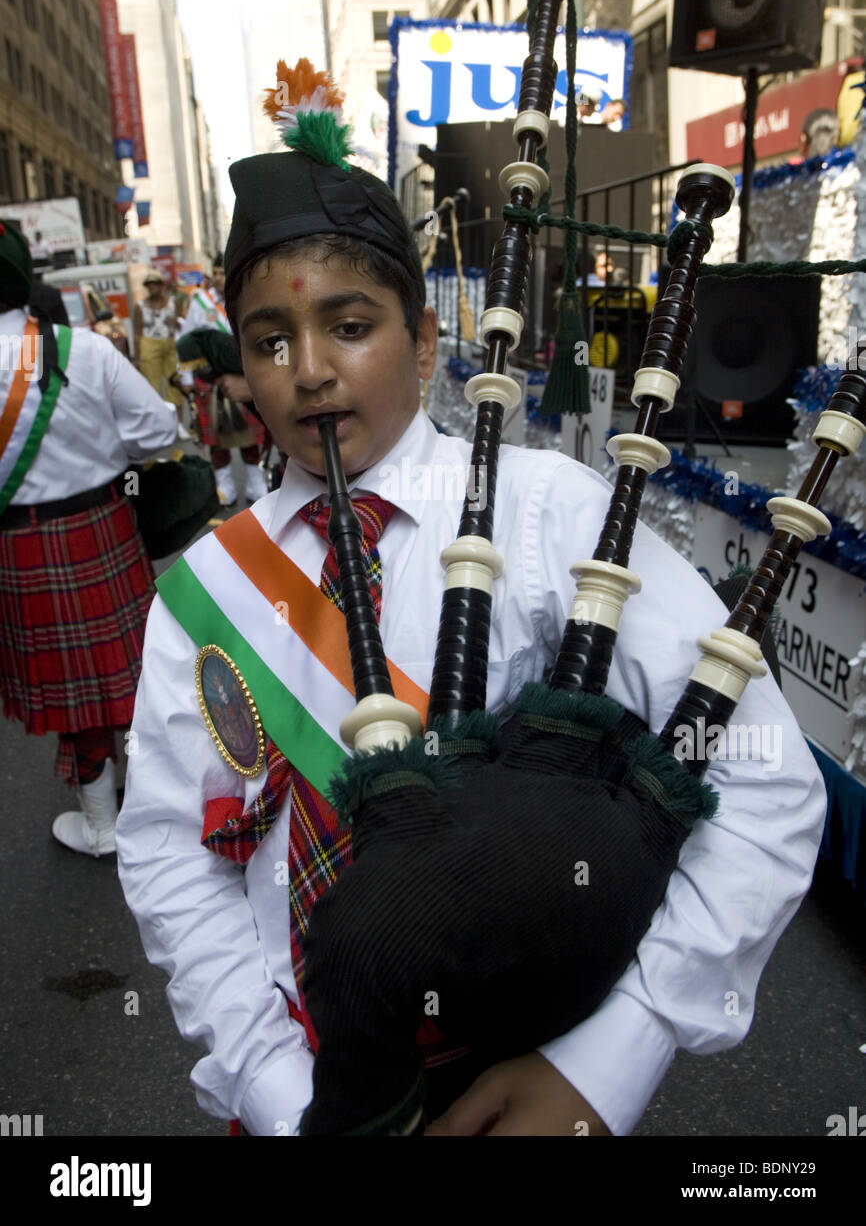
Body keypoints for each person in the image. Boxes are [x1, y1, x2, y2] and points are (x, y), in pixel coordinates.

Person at [115, 60, 824, 1137]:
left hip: (523, 1074)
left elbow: (764, 773)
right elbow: (171, 848)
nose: (309, 370)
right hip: (311, 1093)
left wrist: (605, 1063)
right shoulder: (207, 589)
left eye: (350, 325)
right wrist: (286, 1094)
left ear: (426, 341)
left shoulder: (548, 516)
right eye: (270, 341)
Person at [0, 220, 178, 856]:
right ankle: (162, 801)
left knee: (76, 694)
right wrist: (102, 450)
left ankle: (103, 826)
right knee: (134, 674)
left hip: (19, 547)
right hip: (104, 526)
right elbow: (160, 433)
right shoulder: (86, 351)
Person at [175, 253, 269, 506]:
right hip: (211, 381)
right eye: (215, 273)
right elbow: (186, 339)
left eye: (223, 273)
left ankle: (255, 483)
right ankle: (225, 486)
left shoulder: (249, 297)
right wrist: (186, 377)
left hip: (245, 379)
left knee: (250, 436)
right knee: (216, 440)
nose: (218, 278)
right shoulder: (200, 302)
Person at [134, 269, 190, 439]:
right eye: (149, 285)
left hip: (171, 344)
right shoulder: (140, 306)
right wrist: (137, 357)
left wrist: (178, 321)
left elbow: (183, 323)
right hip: (149, 344)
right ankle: (159, 427)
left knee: (175, 383)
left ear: (161, 285)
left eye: (155, 284)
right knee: (152, 387)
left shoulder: (173, 302)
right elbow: (137, 333)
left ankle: (178, 425)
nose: (152, 287)